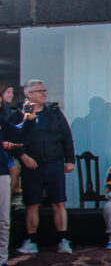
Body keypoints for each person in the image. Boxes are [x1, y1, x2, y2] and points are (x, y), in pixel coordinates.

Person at [17, 80, 75, 255]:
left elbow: (67, 136)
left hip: (54, 162)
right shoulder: (22, 112)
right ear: (29, 94)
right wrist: (22, 155)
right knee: (32, 203)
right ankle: (31, 240)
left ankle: (63, 240)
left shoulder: (54, 113)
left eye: (44, 90)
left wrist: (70, 160)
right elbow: (11, 137)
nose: (44, 93)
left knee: (59, 201)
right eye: (39, 91)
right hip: (32, 165)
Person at [0, 98, 36, 266]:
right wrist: (4, 145)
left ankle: (1, 263)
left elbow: (19, 137)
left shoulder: (1, 120)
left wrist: (29, 118)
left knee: (4, 221)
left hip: (2, 173)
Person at [0, 84, 24, 206]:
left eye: (12, 92)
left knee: (13, 172)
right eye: (8, 92)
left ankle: (7, 202)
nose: (11, 95)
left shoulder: (7, 109)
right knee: (13, 171)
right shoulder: (3, 110)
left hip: (7, 148)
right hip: (4, 149)